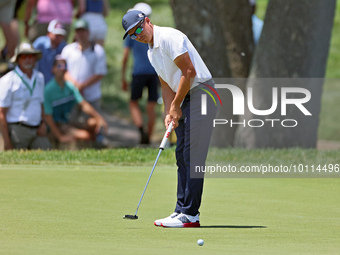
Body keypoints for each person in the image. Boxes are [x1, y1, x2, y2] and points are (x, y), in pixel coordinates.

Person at [122, 11, 217, 227]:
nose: (137, 35)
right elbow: (165, 83)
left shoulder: (169, 37)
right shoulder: (151, 53)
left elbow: (189, 71)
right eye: (132, 35)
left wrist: (176, 105)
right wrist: (168, 110)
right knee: (182, 154)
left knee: (193, 156)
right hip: (186, 98)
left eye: (138, 29)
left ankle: (191, 215)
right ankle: (181, 210)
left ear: (147, 21)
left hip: (203, 94)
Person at [44, 55, 108, 146]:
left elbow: (84, 105)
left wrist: (100, 119)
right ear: (53, 69)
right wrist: (60, 137)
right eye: (59, 66)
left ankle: (95, 143)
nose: (62, 69)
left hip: (68, 122)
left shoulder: (70, 87)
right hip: (56, 126)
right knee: (85, 136)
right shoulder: (48, 90)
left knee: (94, 123)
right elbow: (48, 118)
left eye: (65, 66)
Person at [0, 42, 51, 150]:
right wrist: (7, 142)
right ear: (18, 59)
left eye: (31, 56)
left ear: (35, 58)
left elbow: (40, 104)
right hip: (17, 129)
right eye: (24, 56)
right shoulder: (8, 80)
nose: (28, 59)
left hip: (37, 129)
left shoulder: (39, 77)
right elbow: (1, 113)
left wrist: (43, 123)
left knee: (47, 152)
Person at [122, 3, 159, 144]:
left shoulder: (133, 34)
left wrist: (123, 77)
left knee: (133, 103)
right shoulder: (152, 31)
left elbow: (125, 57)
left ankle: (140, 130)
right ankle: (148, 138)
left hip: (138, 73)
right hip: (154, 72)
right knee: (151, 106)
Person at [61, 19, 107, 112]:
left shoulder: (98, 51)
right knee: (70, 123)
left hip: (91, 96)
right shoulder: (68, 49)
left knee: (92, 123)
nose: (81, 34)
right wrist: (75, 85)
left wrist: (81, 86)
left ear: (88, 32)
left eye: (83, 31)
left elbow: (100, 73)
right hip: (70, 95)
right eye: (78, 31)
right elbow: (62, 69)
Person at [33, 19, 67, 84]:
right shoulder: (40, 44)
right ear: (49, 34)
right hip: (39, 82)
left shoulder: (64, 47)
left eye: (61, 35)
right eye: (56, 35)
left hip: (56, 85)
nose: (59, 37)